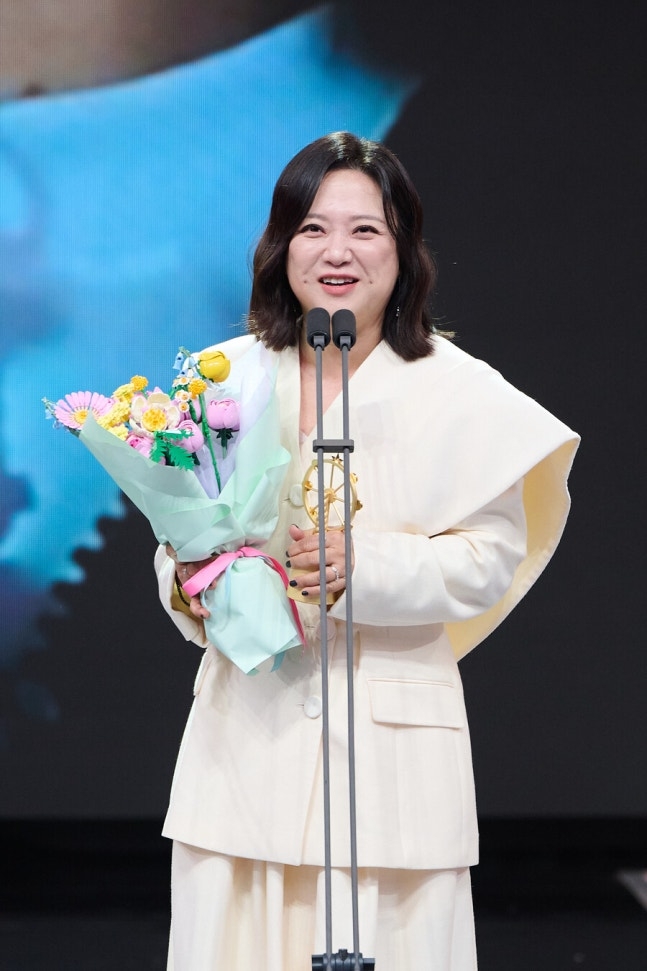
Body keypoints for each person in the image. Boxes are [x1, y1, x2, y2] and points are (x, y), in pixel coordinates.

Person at [155, 131, 579, 970]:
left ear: (403, 249)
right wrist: (191, 581)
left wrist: (365, 567)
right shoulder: (220, 378)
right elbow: (177, 537)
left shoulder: (459, 388)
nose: (336, 252)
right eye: (312, 228)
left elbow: (489, 559)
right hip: (244, 746)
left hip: (395, 770)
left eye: (364, 230)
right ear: (281, 247)